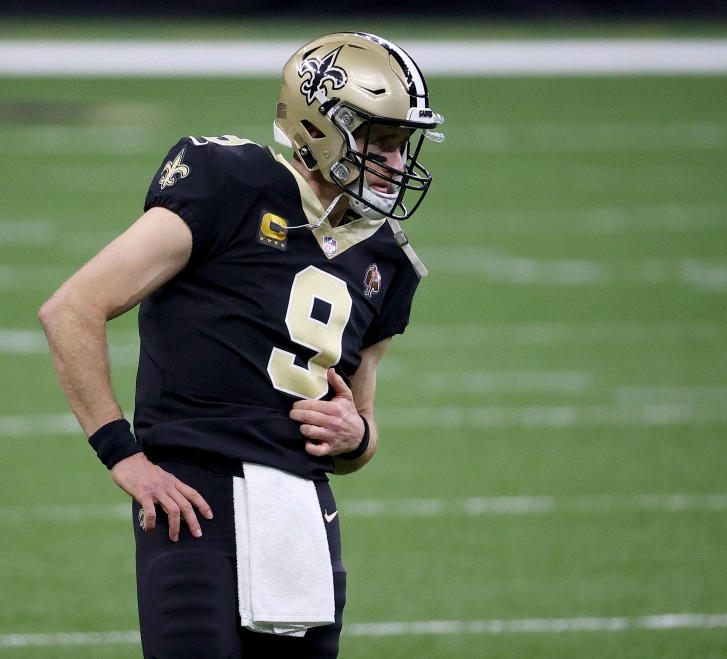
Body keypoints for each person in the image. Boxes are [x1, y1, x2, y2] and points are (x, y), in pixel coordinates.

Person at [38, 32, 443, 658]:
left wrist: (356, 438)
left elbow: (360, 428)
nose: (394, 162)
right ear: (321, 126)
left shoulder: (387, 260)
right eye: (379, 143)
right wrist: (124, 456)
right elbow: (71, 309)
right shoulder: (227, 180)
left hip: (303, 511)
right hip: (193, 498)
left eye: (401, 145)